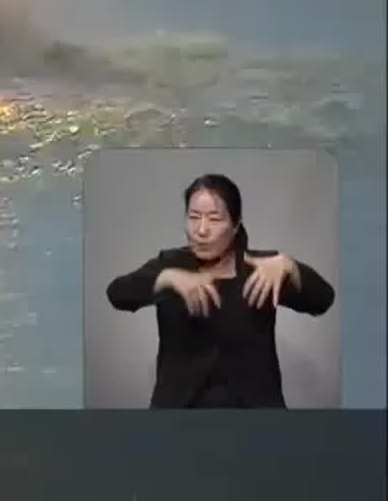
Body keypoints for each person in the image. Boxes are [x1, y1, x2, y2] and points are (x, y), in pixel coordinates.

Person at [106, 173, 336, 408]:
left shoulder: (261, 270)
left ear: (236, 225)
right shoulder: (169, 264)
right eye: (193, 217)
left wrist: (290, 266)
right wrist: (167, 278)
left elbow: (323, 300)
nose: (201, 230)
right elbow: (117, 294)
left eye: (214, 219)